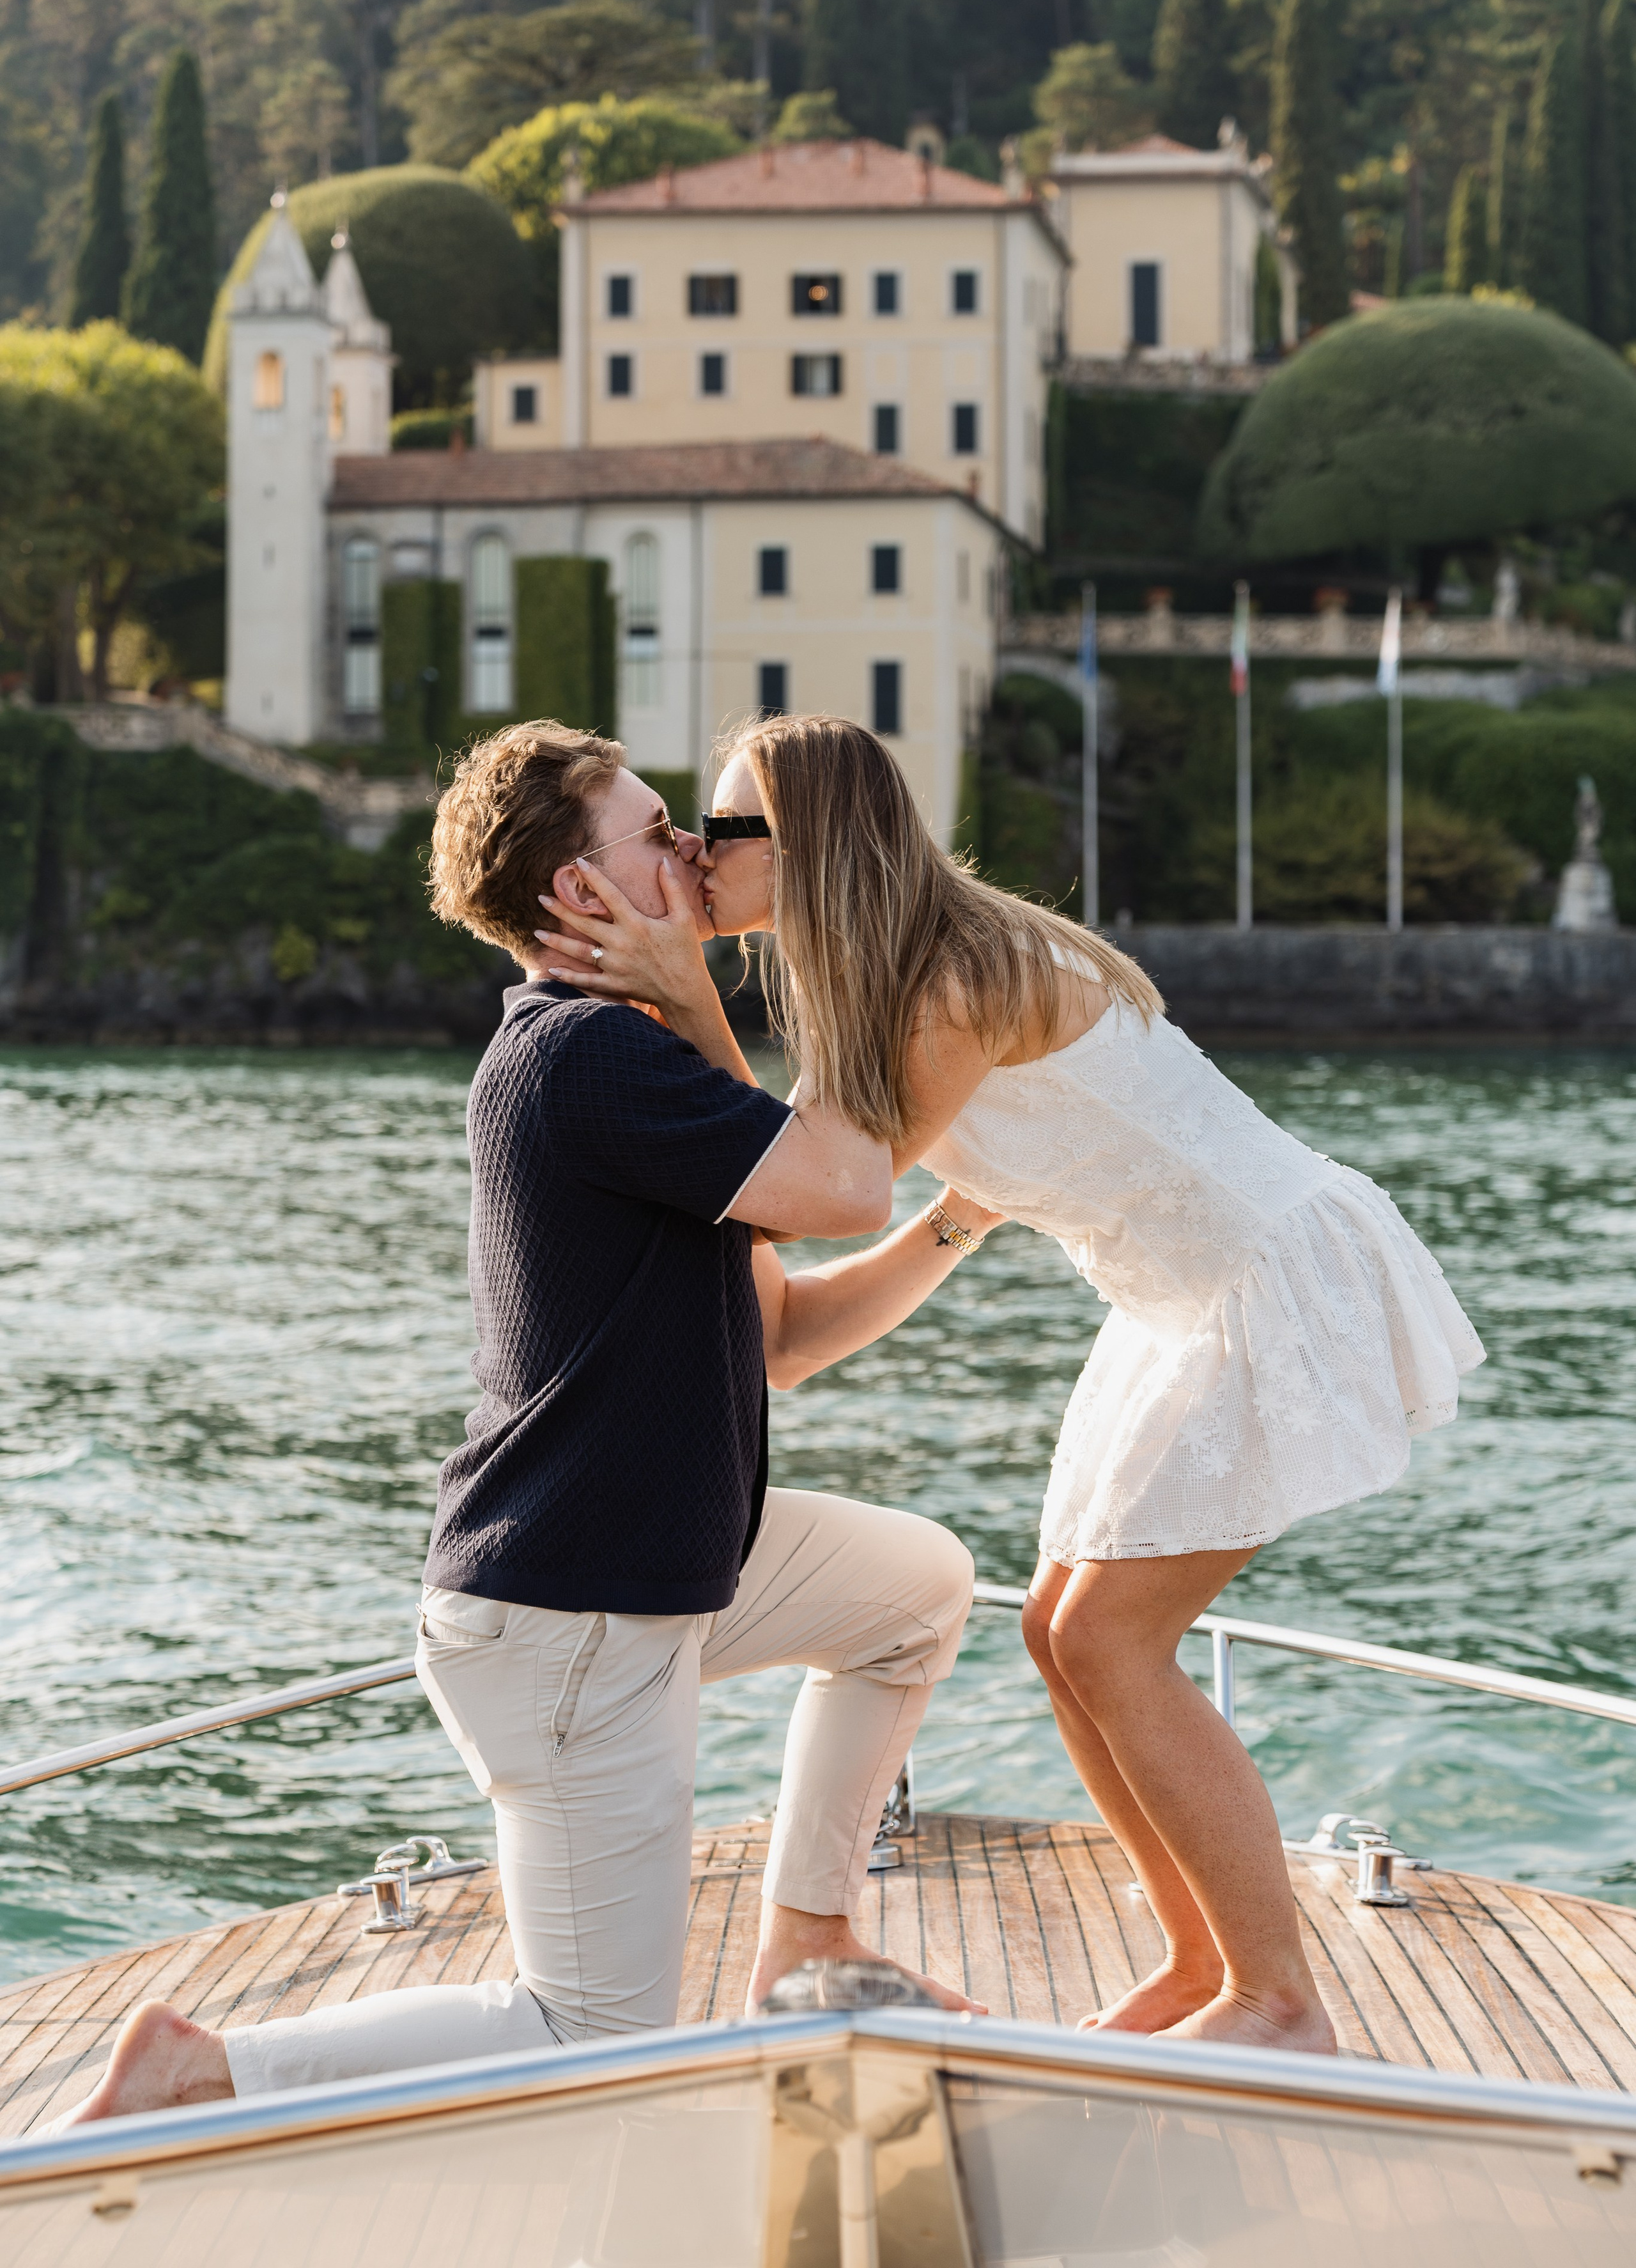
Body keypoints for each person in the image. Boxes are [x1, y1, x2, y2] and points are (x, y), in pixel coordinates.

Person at [58, 719, 992, 2128]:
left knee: (914, 1593)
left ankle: (810, 1943)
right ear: (578, 896)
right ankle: (207, 2071)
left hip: (657, 1569)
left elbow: (783, 1338)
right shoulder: (590, 1064)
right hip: (574, 1618)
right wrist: (700, 1000)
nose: (691, 848)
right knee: (586, 2030)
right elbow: (839, 1180)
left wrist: (962, 1222)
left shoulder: (627, 1062)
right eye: (656, 829)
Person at [541, 712, 1485, 2056]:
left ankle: (1279, 2002)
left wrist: (688, 1002)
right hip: (1173, 1298)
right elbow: (801, 1260)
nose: (694, 851)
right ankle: (1202, 1958)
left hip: (1259, 1283)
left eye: (722, 829)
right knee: (1058, 1631)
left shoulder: (946, 983)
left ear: (806, 850)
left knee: (1110, 1639)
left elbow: (823, 1190)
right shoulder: (889, 979)